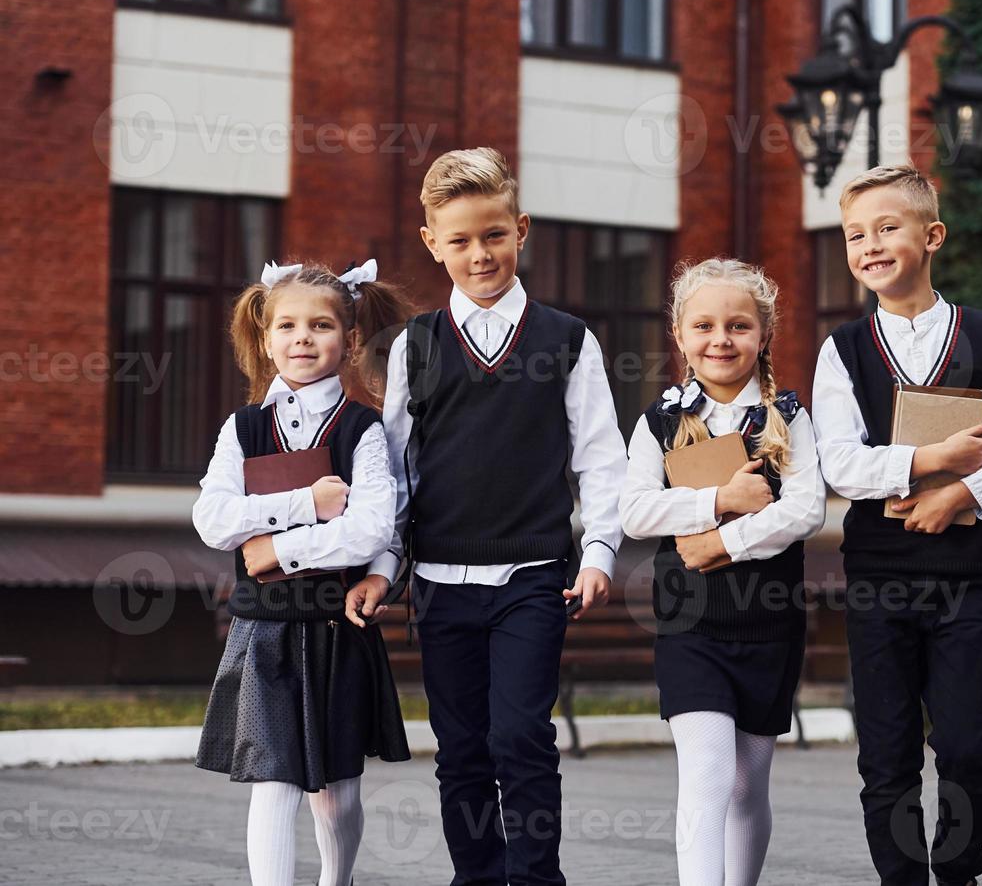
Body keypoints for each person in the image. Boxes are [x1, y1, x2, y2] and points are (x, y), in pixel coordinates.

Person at [377, 146, 628, 886]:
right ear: (432, 244)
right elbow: (393, 470)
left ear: (520, 229)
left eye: (493, 235)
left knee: (520, 736)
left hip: (533, 575)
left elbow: (601, 458)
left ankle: (536, 877)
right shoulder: (415, 347)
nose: (479, 254)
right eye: (459, 240)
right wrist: (382, 567)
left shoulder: (567, 340)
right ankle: (477, 876)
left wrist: (600, 554)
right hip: (439, 579)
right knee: (460, 748)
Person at [810, 164, 982, 886]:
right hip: (877, 581)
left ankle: (958, 875)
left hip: (965, 582)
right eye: (856, 234)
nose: (870, 245)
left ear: (932, 236)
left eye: (888, 227)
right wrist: (931, 459)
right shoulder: (843, 350)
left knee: (967, 748)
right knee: (885, 754)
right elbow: (840, 464)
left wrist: (965, 494)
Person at [193, 258, 413, 886]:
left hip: (336, 628)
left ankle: (335, 880)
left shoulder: (363, 429)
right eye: (286, 325)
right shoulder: (243, 428)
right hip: (264, 631)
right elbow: (213, 519)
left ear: (347, 340)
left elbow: (372, 529)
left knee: (336, 793)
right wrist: (307, 505)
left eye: (320, 325)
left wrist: (274, 549)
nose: (302, 338)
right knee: (273, 783)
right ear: (266, 339)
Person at [619, 258, 825, 885]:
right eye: (703, 325)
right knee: (706, 777)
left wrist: (723, 544)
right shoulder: (658, 421)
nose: (721, 340)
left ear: (763, 335)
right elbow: (633, 512)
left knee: (746, 786)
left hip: (769, 622)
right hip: (690, 625)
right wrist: (720, 502)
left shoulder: (787, 416)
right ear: (679, 336)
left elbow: (807, 509)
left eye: (738, 326)